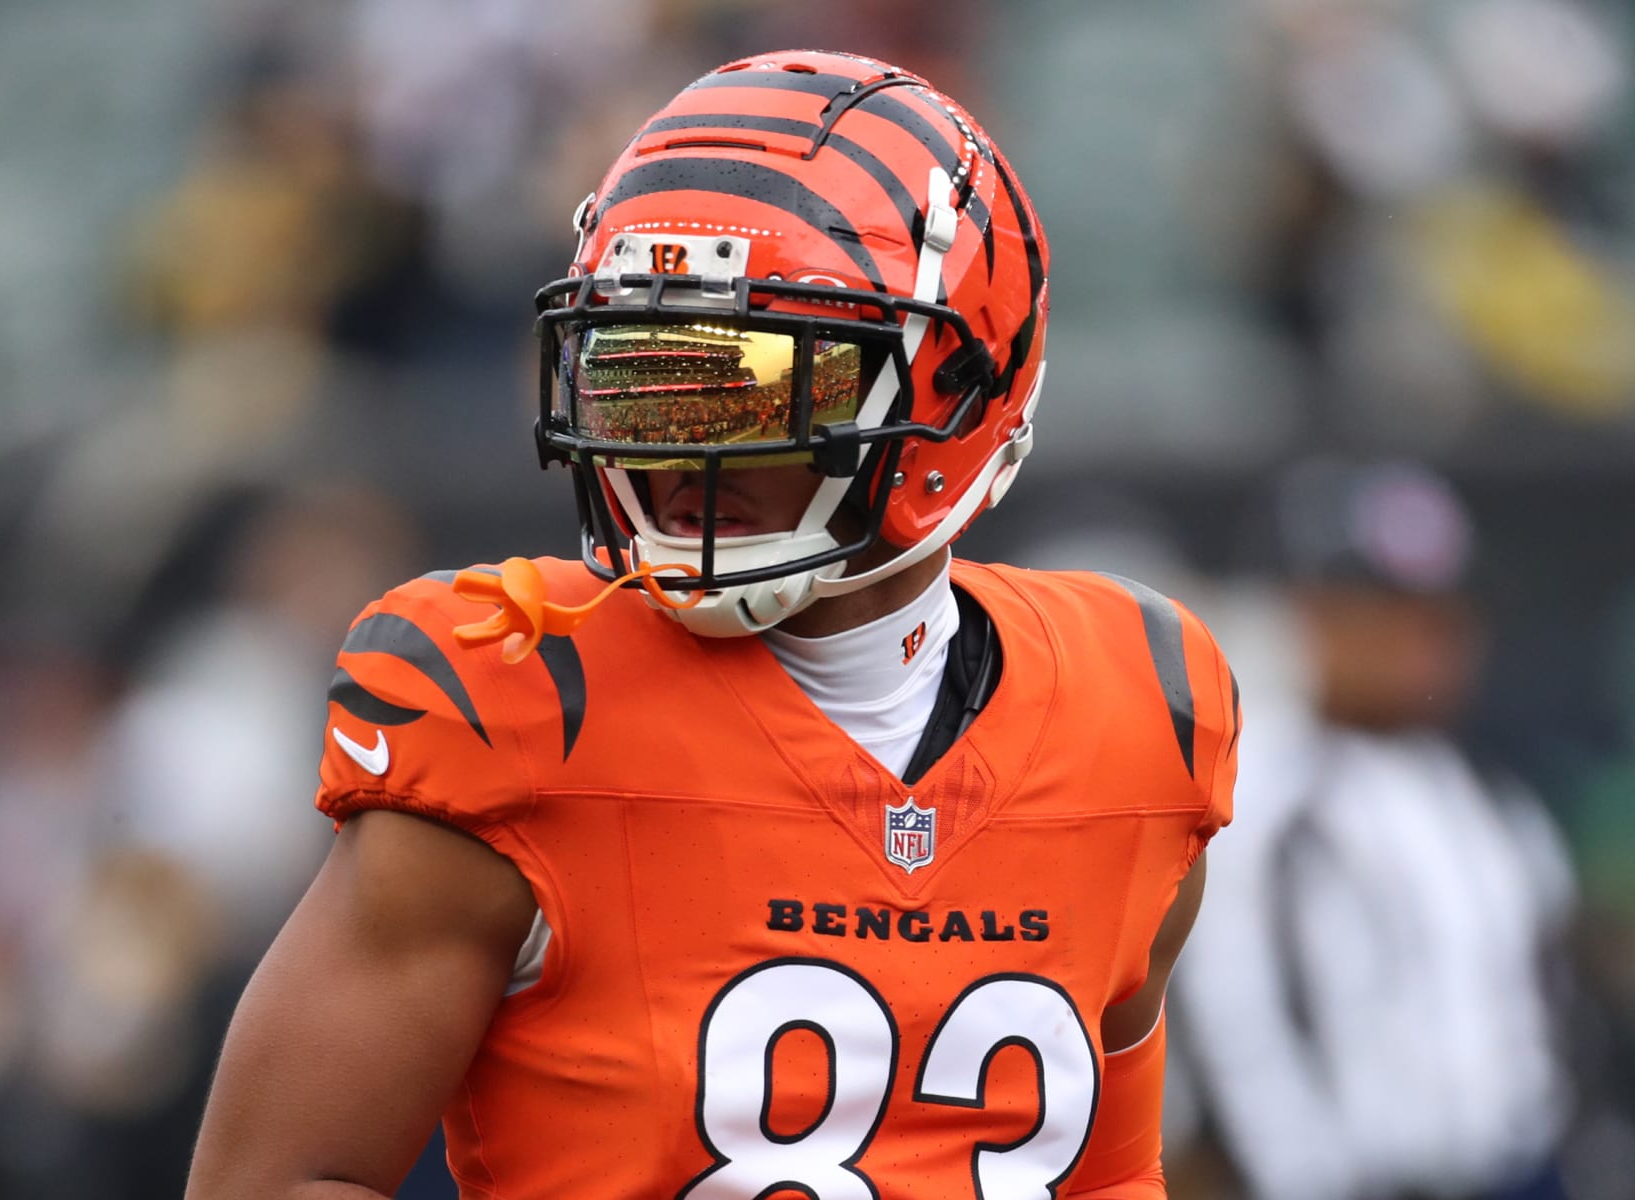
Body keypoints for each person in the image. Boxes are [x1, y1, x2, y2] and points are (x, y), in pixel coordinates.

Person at [186, 49, 1240, 1199]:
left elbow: (1108, 1176)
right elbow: (283, 1178)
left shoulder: (1140, 708)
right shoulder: (528, 698)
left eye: (749, 395)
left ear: (950, 391)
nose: (681, 456)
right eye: (642, 385)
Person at [1168, 460, 1575, 1200]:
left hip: (1517, 1174)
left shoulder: (1486, 795)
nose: (1427, 640)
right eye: (1388, 609)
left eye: (1445, 614)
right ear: (1312, 611)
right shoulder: (1254, 791)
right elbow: (1235, 1026)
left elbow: (1542, 1005)